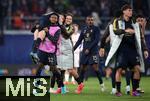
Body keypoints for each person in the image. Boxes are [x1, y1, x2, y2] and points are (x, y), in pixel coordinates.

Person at [105, 4, 148, 96]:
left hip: (132, 50)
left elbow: (140, 37)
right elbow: (115, 31)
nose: (131, 12)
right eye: (129, 10)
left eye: (131, 10)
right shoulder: (118, 21)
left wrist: (144, 49)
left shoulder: (134, 23)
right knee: (119, 70)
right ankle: (118, 91)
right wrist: (126, 31)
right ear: (124, 11)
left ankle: (135, 91)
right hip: (122, 50)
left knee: (137, 69)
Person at [74, 16, 105, 93]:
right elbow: (79, 41)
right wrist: (73, 49)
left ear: (93, 21)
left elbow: (96, 40)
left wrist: (89, 48)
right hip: (85, 52)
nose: (90, 21)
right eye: (89, 20)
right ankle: (80, 87)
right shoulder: (84, 29)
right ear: (86, 21)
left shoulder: (96, 29)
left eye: (92, 20)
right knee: (82, 69)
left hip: (93, 51)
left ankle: (102, 84)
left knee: (95, 68)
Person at [56, 13, 84, 94]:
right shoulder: (60, 26)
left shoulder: (72, 27)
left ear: (72, 20)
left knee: (70, 70)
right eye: (67, 18)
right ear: (65, 19)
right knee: (61, 69)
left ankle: (80, 84)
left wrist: (60, 25)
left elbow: (67, 35)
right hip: (61, 49)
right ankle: (61, 88)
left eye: (70, 19)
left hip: (68, 50)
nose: (68, 20)